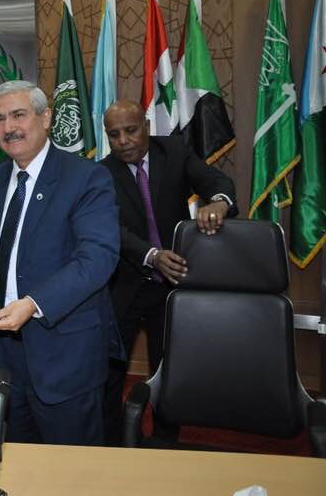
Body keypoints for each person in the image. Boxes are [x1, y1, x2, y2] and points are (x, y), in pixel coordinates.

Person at [0, 80, 119, 445]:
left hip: (63, 348)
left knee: (71, 465)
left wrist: (34, 303)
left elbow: (98, 257)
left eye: (18, 115)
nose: (8, 127)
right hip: (2, 347)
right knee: (16, 455)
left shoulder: (86, 177)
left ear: (45, 118)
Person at [100, 99, 237, 443]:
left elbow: (216, 181)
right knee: (110, 374)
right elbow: (109, 229)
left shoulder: (174, 152)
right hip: (125, 286)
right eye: (114, 135)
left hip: (172, 286)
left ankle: (165, 442)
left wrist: (219, 202)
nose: (123, 141)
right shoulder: (101, 173)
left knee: (168, 370)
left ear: (146, 127)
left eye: (131, 130)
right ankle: (112, 445)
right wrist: (151, 255)